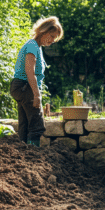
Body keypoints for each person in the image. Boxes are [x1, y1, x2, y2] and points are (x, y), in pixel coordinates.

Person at [10, 17, 63, 146]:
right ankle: (33, 157)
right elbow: (30, 72)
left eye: (55, 38)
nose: (52, 40)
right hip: (25, 86)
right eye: (51, 36)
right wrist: (37, 94)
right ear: (43, 32)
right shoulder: (32, 46)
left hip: (21, 86)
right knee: (37, 125)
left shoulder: (35, 46)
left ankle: (23, 156)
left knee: (26, 124)